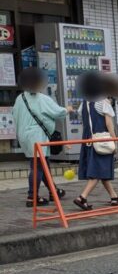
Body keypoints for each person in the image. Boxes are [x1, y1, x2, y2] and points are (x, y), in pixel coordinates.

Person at [14, 66, 68, 207]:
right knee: (38, 166)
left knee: (43, 164)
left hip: (24, 136)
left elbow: (15, 115)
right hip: (37, 136)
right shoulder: (42, 98)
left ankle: (53, 191)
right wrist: (68, 109)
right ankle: (32, 197)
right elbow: (59, 113)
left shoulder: (20, 98)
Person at [74, 71, 118, 210]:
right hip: (102, 140)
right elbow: (109, 124)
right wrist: (115, 140)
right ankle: (82, 197)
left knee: (101, 169)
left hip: (89, 141)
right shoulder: (103, 102)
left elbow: (82, 120)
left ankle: (114, 197)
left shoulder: (84, 103)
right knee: (97, 171)